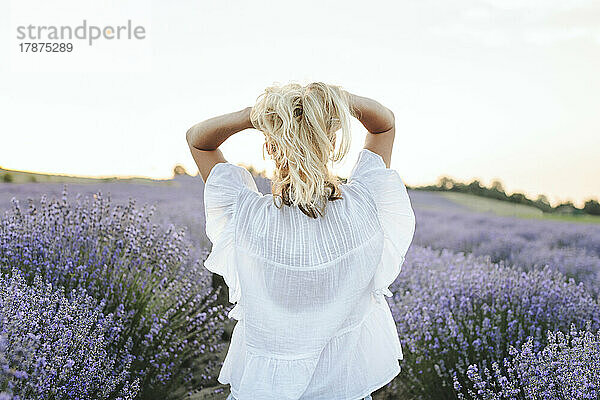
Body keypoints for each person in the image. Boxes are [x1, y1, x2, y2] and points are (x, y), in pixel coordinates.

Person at [186, 82, 416, 400]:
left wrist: (251, 116)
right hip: (343, 391)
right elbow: (385, 124)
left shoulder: (245, 215)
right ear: (331, 141)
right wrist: (338, 102)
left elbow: (198, 141)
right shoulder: (365, 204)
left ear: (269, 146)